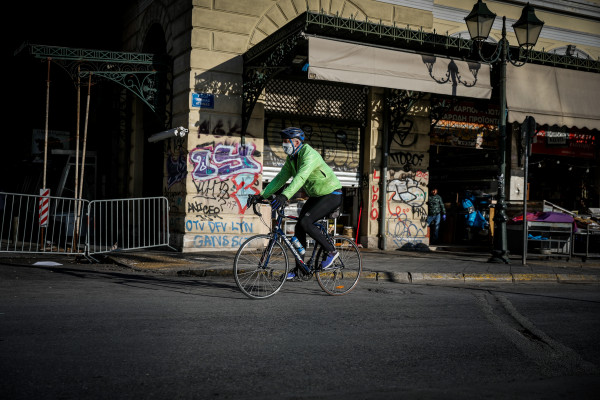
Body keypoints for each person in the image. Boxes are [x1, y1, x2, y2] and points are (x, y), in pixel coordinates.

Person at [247, 127, 343, 279]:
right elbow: (280, 179)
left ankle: (330, 250)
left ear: (297, 142)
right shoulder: (292, 159)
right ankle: (300, 269)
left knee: (306, 222)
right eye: (283, 142)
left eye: (287, 142)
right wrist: (261, 195)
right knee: (299, 227)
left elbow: (301, 178)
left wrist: (284, 196)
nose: (284, 145)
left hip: (331, 193)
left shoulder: (309, 154)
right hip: (316, 195)